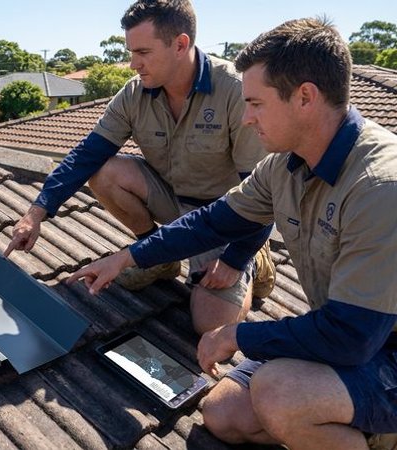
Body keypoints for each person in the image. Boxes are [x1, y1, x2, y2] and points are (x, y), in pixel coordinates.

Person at [67, 17, 397, 449]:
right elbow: (211, 222)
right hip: (348, 335)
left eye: (256, 104)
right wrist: (126, 257)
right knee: (222, 414)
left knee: (280, 392)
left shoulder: (379, 188)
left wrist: (238, 335)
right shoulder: (283, 165)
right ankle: (346, 422)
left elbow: (351, 337)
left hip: (379, 349)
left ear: (305, 98)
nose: (245, 119)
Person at [3, 0, 274, 334]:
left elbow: (264, 197)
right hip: (173, 201)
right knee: (103, 170)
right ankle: (159, 257)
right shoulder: (135, 94)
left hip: (221, 219)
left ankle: (258, 260)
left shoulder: (234, 91)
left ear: (180, 45)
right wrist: (36, 212)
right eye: (131, 52)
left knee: (208, 325)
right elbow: (87, 154)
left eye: (143, 52)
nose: (133, 64)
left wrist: (235, 259)